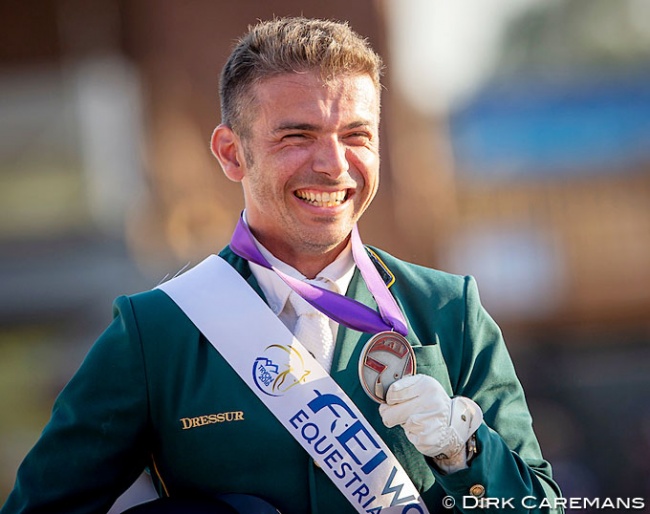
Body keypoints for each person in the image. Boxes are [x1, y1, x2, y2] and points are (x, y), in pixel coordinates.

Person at [1, 17, 563, 514]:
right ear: (231, 153)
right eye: (297, 136)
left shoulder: (446, 309)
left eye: (356, 136)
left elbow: (542, 507)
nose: (334, 164)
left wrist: (463, 451)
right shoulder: (158, 332)